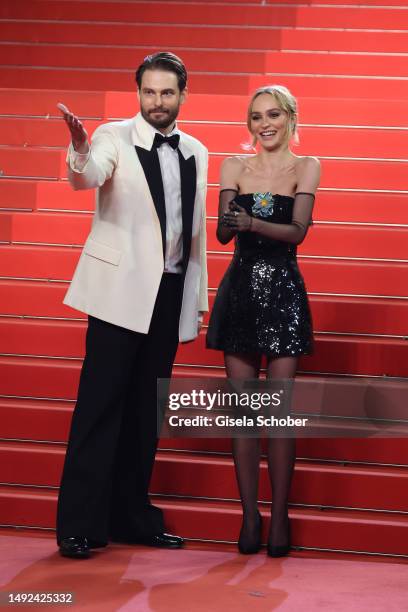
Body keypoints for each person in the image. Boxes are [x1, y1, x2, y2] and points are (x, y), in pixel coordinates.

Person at [56, 52, 209, 559]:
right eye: (149, 92)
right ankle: (80, 525)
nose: (157, 102)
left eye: (167, 93)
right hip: (119, 293)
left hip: (167, 293)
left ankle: (131, 518)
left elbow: (195, 238)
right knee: (100, 408)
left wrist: (195, 299)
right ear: (137, 93)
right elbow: (89, 175)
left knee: (145, 412)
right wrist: (79, 148)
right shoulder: (113, 135)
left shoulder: (197, 150)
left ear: (183, 96)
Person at [206, 85, 320, 557]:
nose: (264, 124)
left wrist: (250, 221)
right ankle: (250, 515)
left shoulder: (306, 166)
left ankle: (280, 517)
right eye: (256, 117)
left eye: (273, 114)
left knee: (279, 414)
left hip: (284, 293)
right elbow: (221, 233)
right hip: (240, 292)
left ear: (291, 117)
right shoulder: (234, 166)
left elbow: (297, 231)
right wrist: (235, 223)